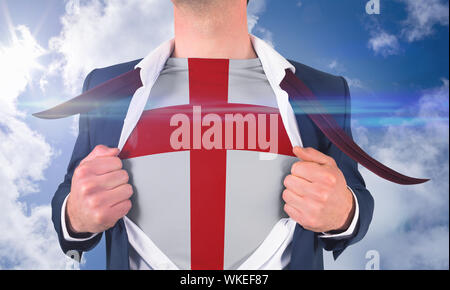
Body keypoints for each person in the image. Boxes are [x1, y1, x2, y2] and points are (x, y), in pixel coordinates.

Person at [51, 0, 375, 270]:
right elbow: (71, 194)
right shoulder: (105, 87)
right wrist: (76, 213)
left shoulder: (323, 90)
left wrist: (344, 211)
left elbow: (354, 197)